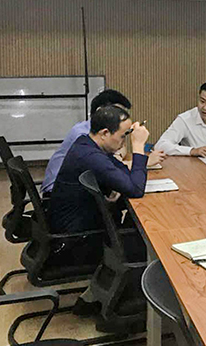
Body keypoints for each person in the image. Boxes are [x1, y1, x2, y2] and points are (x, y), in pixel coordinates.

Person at [47, 105, 149, 266]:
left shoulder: (86, 144)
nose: (124, 142)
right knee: (144, 225)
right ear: (105, 133)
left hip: (85, 224)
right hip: (78, 241)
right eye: (123, 136)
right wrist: (138, 146)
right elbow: (136, 189)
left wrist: (119, 184)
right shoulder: (90, 156)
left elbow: (124, 174)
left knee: (136, 217)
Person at [40, 89, 164, 194]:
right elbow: (136, 190)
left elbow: (120, 168)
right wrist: (138, 145)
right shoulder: (87, 146)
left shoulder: (93, 141)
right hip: (64, 200)